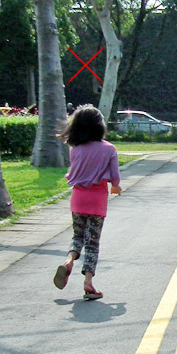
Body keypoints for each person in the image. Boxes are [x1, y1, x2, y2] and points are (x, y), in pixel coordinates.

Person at [53, 105, 122, 299]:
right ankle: (88, 283)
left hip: (78, 199)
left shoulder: (75, 149)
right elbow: (115, 177)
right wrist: (116, 187)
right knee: (92, 243)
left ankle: (69, 260)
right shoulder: (108, 149)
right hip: (97, 201)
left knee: (78, 236)